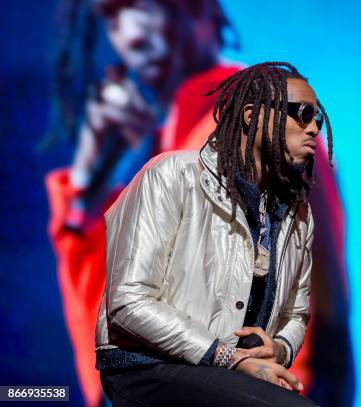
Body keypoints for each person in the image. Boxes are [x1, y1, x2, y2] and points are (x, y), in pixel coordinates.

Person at [46, 1, 351, 406]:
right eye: (113, 16)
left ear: (204, 11)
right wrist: (87, 190)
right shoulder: (173, 141)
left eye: (145, 6)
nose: (130, 34)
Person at [96, 62, 327, 406]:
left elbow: (296, 314)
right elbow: (129, 302)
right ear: (252, 115)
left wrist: (277, 348)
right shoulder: (172, 175)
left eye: (318, 120)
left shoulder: (298, 214)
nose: (313, 129)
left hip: (228, 374)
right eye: (303, 114)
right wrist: (228, 357)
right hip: (148, 365)